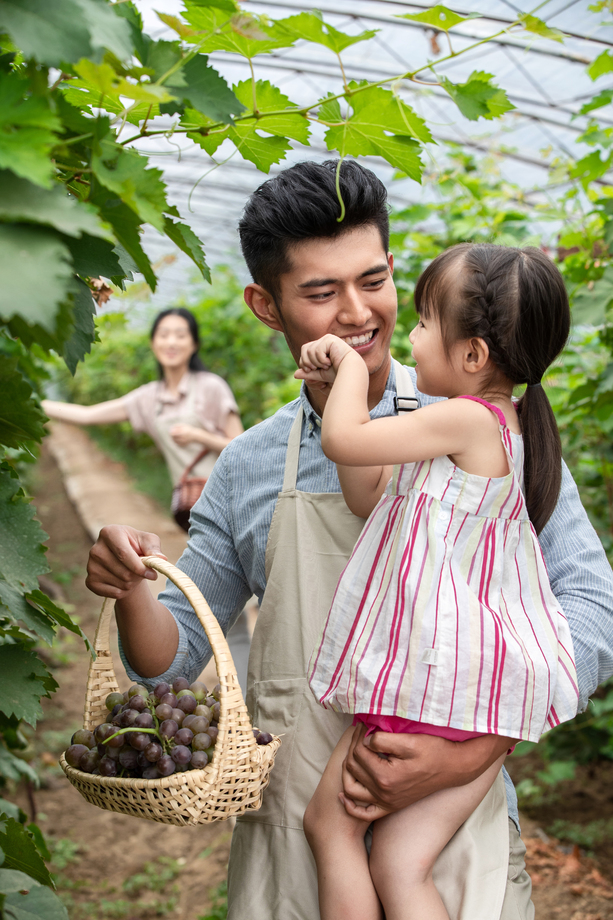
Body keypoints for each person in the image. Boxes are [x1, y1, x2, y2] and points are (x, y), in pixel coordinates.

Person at [84, 160, 613, 920]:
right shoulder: (249, 466)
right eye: (321, 292)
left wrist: (473, 745)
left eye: (373, 280)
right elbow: (172, 661)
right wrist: (132, 582)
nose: (357, 313)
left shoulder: (478, 429)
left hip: (448, 832)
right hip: (297, 836)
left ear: (396, 271)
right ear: (265, 306)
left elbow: (590, 609)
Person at [297, 243, 580, 920]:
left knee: (329, 828)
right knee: (399, 863)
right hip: (469, 705)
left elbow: (343, 442)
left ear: (474, 356)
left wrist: (344, 374)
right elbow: (369, 490)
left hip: (423, 687)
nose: (413, 337)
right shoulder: (501, 430)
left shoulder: (462, 418)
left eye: (424, 323)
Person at [43, 307, 251, 691]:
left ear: (193, 343)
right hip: (189, 510)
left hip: (231, 506)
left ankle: (242, 697)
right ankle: (236, 694)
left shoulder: (210, 387)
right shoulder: (149, 398)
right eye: (164, 334)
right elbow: (87, 415)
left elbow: (243, 446)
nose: (171, 342)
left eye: (180, 335)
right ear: (154, 343)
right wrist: (30, 405)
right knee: (211, 603)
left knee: (230, 603)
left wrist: (200, 436)